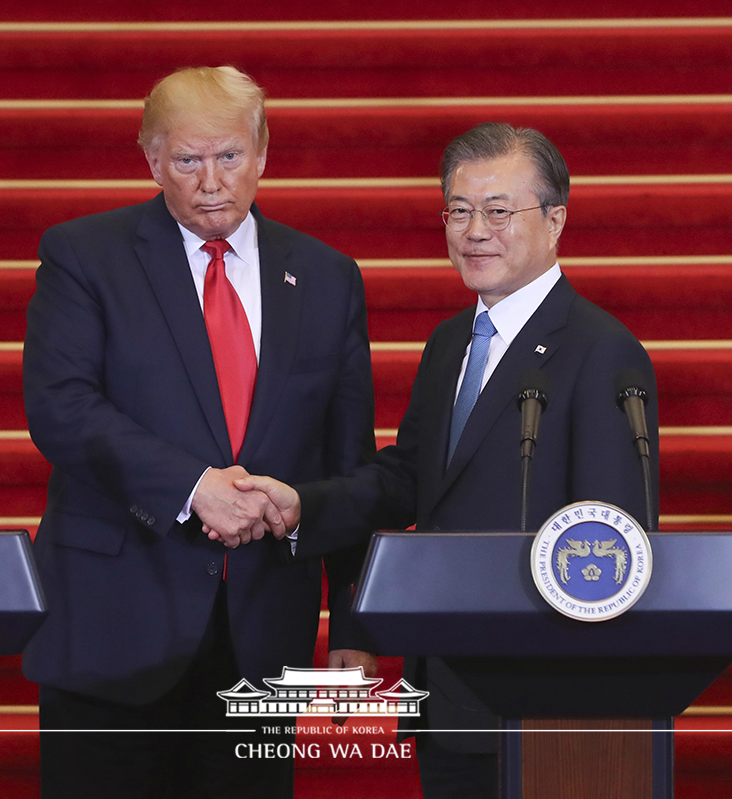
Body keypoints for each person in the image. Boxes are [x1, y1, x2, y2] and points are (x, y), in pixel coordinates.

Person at [235, 123, 660, 799]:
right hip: (450, 694)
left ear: (555, 222)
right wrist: (302, 506)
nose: (474, 230)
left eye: (498, 211)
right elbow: (411, 479)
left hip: (547, 704)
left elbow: (612, 542)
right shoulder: (451, 342)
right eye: (459, 210)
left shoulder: (600, 350)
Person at [21, 66, 377, 799]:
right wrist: (193, 489)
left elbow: (350, 461)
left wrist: (352, 621)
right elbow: (60, 404)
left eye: (229, 156)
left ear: (263, 151)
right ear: (152, 159)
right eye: (187, 160)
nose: (211, 181)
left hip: (261, 630)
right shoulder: (84, 255)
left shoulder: (328, 276)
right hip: (113, 624)